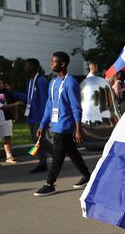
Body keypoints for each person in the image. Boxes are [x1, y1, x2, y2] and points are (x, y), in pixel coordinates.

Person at [34, 52, 91, 196]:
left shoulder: (71, 83)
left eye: (54, 62)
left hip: (65, 126)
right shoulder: (53, 82)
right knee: (72, 152)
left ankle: (49, 184)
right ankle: (87, 176)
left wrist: (78, 129)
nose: (51, 64)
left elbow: (76, 107)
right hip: (55, 124)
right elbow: (49, 104)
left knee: (58, 156)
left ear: (63, 64)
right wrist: (42, 124)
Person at [11, 58, 54, 173]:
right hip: (31, 116)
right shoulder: (29, 81)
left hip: (39, 117)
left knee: (40, 139)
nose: (24, 68)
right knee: (37, 141)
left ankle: (54, 155)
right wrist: (13, 93)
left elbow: (46, 101)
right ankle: (43, 162)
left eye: (26, 66)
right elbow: (28, 98)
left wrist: (45, 119)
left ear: (33, 67)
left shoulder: (41, 81)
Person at [0, 75, 18, 163]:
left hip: (7, 117)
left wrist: (15, 115)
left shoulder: (7, 92)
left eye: (0, 80)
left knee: (7, 137)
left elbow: (14, 103)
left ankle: (9, 156)